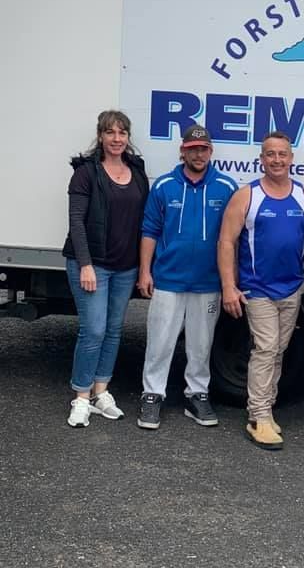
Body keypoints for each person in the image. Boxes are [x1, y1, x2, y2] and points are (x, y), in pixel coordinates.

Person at [218, 132, 304, 450]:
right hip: (257, 289)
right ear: (262, 160)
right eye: (270, 154)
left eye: (282, 154)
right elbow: (226, 242)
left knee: (279, 350)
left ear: (291, 159)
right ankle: (258, 417)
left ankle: (266, 407)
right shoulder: (247, 196)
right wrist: (229, 287)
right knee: (266, 349)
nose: (277, 160)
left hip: (292, 289)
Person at [136, 125, 237, 430]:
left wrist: (231, 279)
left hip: (208, 281)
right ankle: (152, 394)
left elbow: (235, 237)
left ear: (211, 151)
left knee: (201, 344)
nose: (198, 154)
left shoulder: (226, 187)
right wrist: (145, 271)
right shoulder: (164, 185)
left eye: (203, 149)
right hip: (168, 279)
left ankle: (197, 394)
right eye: (192, 149)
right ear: (183, 151)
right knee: (160, 341)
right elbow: (150, 230)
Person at [63, 110, 149, 427]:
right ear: (100, 136)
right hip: (92, 265)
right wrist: (85, 265)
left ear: (128, 137)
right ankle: (81, 397)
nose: (116, 138)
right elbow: (76, 222)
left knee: (113, 330)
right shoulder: (86, 173)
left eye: (122, 133)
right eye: (110, 132)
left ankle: (101, 392)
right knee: (94, 330)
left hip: (125, 267)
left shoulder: (136, 171)